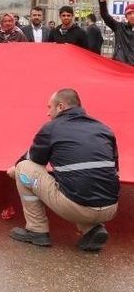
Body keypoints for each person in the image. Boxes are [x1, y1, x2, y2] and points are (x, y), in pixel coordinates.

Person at [7, 89, 119, 252]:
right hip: (111, 208)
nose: (47, 113)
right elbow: (113, 170)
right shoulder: (104, 129)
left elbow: (32, 160)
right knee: (80, 180)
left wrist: (15, 170)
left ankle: (36, 230)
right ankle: (92, 229)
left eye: (49, 107)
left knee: (24, 168)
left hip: (78, 208)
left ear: (60, 107)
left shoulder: (52, 128)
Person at [98, 0, 134, 65]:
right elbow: (105, 15)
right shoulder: (119, 27)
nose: (132, 16)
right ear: (126, 16)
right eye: (129, 13)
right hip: (119, 66)